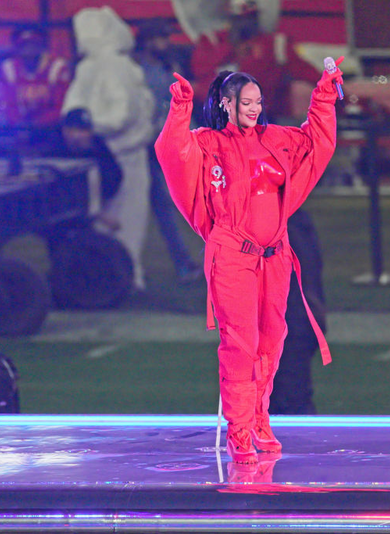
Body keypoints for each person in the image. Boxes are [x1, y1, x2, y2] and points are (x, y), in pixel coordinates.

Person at [154, 57, 343, 463]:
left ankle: (259, 417)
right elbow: (173, 152)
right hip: (232, 255)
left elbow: (316, 143)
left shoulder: (276, 139)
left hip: (274, 256)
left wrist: (325, 95)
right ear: (226, 103)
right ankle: (239, 429)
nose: (255, 109)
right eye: (246, 102)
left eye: (258, 102)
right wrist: (180, 109)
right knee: (241, 344)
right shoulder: (209, 143)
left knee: (272, 341)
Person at [62, 6, 156, 291]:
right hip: (105, 155)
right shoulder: (99, 67)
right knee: (111, 217)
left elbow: (122, 114)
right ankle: (108, 275)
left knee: (124, 218)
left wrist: (90, 127)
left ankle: (121, 275)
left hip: (121, 154)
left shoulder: (112, 68)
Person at [134, 18, 202, 283]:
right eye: (161, 38)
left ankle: (209, 258)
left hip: (176, 142)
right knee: (163, 205)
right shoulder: (136, 70)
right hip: (149, 145)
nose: (166, 43)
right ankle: (183, 263)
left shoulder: (169, 66)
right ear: (148, 41)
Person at [190, 0, 320, 124]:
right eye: (238, 19)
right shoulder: (213, 42)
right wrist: (231, 51)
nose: (243, 24)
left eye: (249, 18)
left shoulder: (274, 44)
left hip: (264, 115)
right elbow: (203, 78)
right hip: (219, 116)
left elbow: (306, 72)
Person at [270, 209, 325, 415]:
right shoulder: (290, 220)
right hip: (287, 324)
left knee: (290, 400)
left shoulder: (285, 221)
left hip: (289, 326)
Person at [0, 27, 71, 128]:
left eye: (34, 45)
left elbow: (60, 106)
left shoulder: (57, 67)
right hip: (19, 128)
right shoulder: (9, 67)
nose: (29, 50)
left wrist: (39, 124)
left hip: (49, 128)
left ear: (42, 47)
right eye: (24, 46)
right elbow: (9, 106)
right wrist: (21, 125)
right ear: (18, 49)